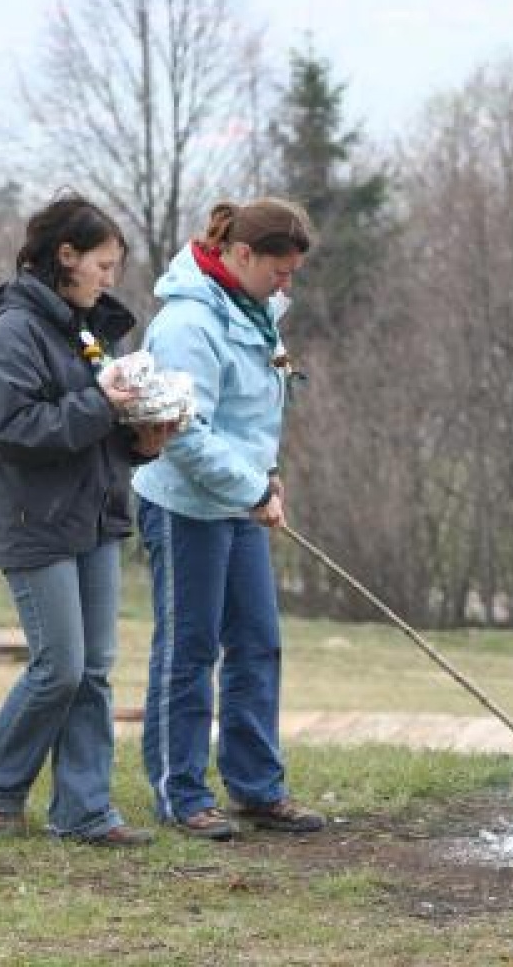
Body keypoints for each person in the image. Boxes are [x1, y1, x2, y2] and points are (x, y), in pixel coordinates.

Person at [0, 192, 178, 847]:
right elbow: (16, 431)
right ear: (67, 257)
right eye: (104, 264)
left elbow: (89, 427)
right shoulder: (11, 336)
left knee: (93, 671)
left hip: (94, 519)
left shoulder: (84, 331)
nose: (110, 279)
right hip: (36, 522)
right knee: (58, 666)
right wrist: (101, 403)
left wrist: (138, 442)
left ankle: (84, 812)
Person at [135, 198, 325, 839]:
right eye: (280, 270)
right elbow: (182, 434)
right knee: (189, 650)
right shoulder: (188, 324)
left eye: (293, 273)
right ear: (241, 254)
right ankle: (180, 793)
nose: (286, 283)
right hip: (186, 507)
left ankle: (256, 787)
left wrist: (265, 476)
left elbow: (251, 417)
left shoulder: (257, 310)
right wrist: (252, 487)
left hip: (240, 499)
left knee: (256, 643)